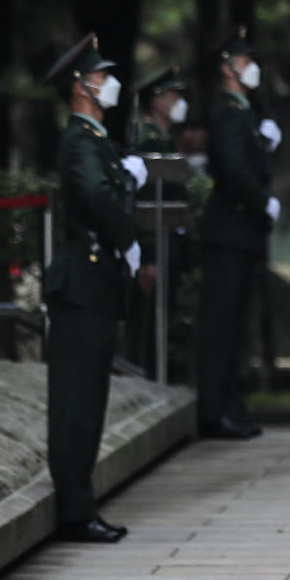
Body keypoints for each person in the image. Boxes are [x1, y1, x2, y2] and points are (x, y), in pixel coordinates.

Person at [43, 35, 144, 544]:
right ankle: (75, 510)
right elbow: (98, 198)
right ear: (81, 87)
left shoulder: (95, 138)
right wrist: (127, 238)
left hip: (96, 280)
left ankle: (81, 504)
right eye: (103, 77)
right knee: (76, 403)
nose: (111, 84)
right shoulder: (81, 140)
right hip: (82, 280)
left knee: (90, 400)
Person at [195, 33, 276, 439]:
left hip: (241, 233)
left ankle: (229, 403)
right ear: (228, 68)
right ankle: (214, 410)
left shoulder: (244, 112)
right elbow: (231, 168)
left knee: (236, 326)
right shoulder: (228, 113)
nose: (251, 66)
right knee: (221, 326)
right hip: (229, 231)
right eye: (244, 60)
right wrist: (262, 202)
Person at [127, 66, 187, 375]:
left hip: (167, 240)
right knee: (147, 319)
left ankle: (151, 375)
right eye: (172, 96)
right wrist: (148, 255)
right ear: (156, 101)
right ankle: (141, 377)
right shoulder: (149, 139)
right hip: (155, 243)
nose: (178, 102)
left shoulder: (163, 136)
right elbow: (147, 202)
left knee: (159, 319)